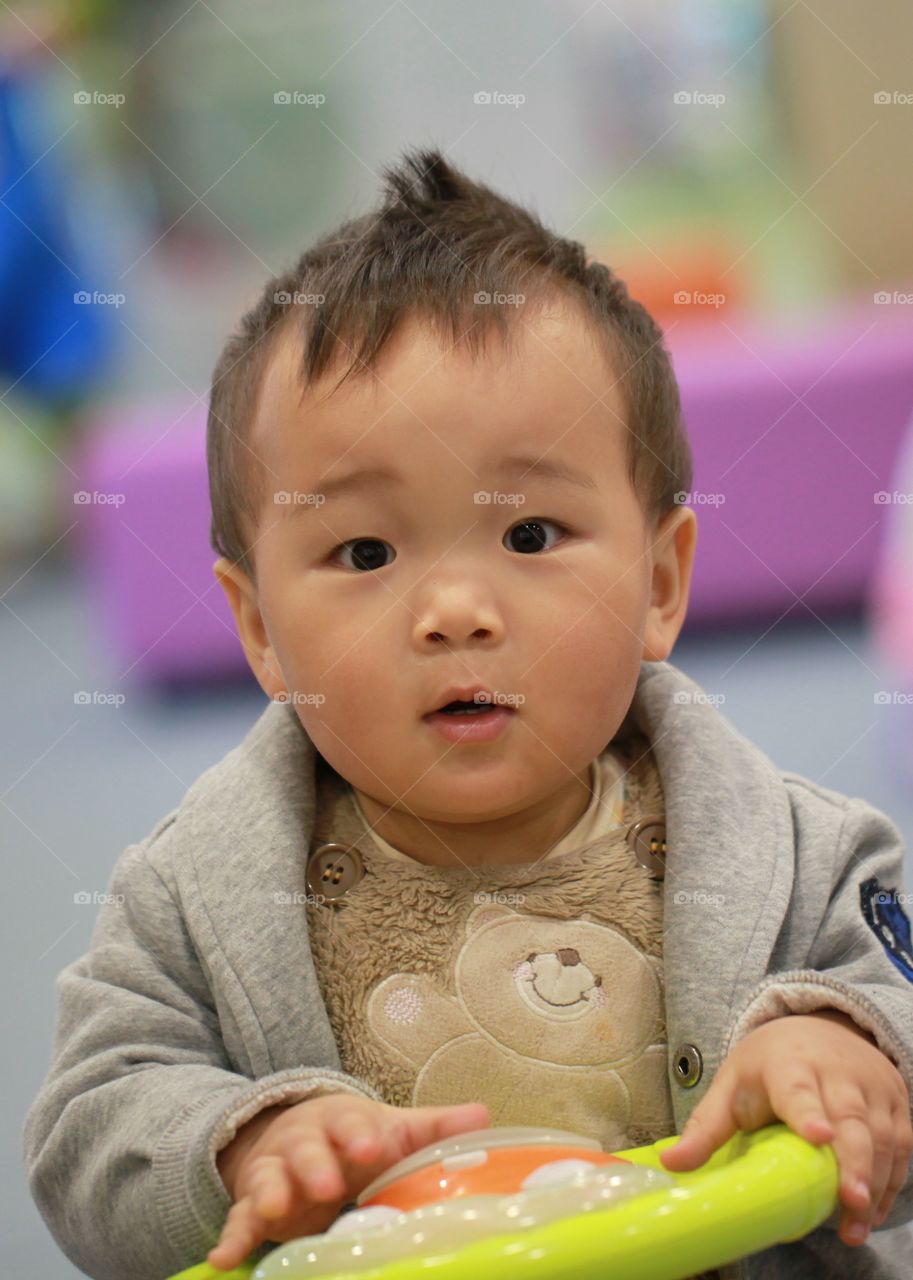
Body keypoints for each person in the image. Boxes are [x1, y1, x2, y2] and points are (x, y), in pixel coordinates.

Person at [23, 148, 913, 1280]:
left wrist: (841, 1046)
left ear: (658, 582)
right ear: (258, 629)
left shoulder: (798, 854)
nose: (452, 610)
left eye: (530, 535)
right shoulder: (190, 901)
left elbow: (897, 1017)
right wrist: (237, 1141)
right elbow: (86, 1139)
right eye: (363, 550)